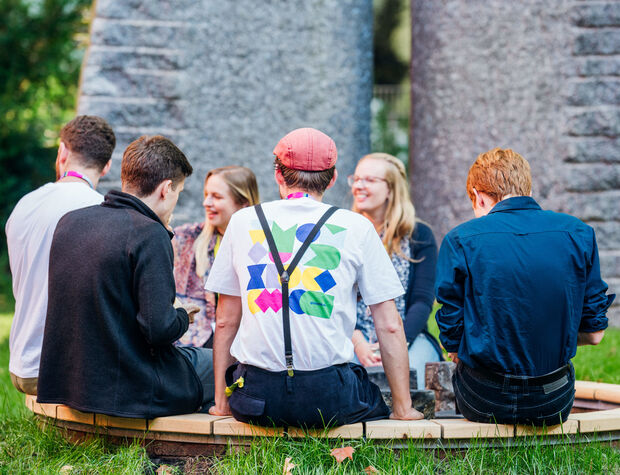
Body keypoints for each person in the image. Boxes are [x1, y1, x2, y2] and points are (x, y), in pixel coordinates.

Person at [206, 127, 423, 428]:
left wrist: (221, 403)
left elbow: (225, 320)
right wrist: (403, 409)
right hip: (328, 400)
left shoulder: (243, 222)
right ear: (333, 178)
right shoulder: (356, 226)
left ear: (278, 175)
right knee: (369, 394)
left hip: (255, 400)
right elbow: (388, 324)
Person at [435, 148, 615, 426]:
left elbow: (454, 341)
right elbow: (594, 335)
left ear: (478, 195)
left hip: (484, 399)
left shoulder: (460, 239)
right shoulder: (579, 233)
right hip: (553, 401)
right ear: (526, 188)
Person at [37, 135, 214, 418]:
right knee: (223, 365)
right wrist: (182, 315)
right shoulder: (149, 233)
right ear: (167, 189)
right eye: (178, 193)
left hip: (71, 385)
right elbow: (159, 330)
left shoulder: (70, 221)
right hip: (130, 389)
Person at [6, 115, 115, 396]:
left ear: (63, 152)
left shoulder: (24, 204)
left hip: (22, 365)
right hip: (64, 372)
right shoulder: (102, 211)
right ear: (107, 166)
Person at [349, 153, 442, 390]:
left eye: (369, 180)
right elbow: (332, 299)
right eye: (356, 179)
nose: (359, 186)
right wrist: (357, 341)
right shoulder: (344, 233)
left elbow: (422, 302)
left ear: (391, 189)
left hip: (409, 337)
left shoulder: (419, 235)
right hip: (351, 338)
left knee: (415, 381)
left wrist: (395, 345)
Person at [173, 166, 259, 348]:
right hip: (196, 342)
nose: (206, 202)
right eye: (206, 194)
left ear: (243, 203)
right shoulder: (183, 238)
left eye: (217, 197)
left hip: (246, 342)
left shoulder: (263, 245)